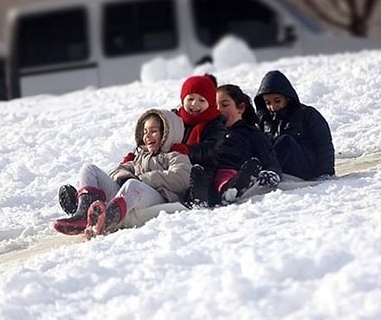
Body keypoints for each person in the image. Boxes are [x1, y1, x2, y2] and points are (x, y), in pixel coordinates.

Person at [53, 108, 192, 239]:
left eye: (153, 131)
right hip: (129, 198)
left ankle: (106, 220)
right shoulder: (142, 156)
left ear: (167, 133)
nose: (147, 136)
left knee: (133, 185)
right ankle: (83, 214)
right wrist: (125, 177)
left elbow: (181, 177)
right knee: (89, 169)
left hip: (160, 198)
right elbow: (118, 171)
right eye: (144, 132)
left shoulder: (175, 155)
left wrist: (143, 179)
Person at [192, 84, 283, 205]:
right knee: (199, 173)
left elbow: (268, 156)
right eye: (215, 106)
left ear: (240, 108)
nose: (219, 110)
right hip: (208, 172)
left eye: (225, 105)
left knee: (225, 176)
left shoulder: (251, 133)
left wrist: (272, 172)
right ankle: (198, 198)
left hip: (230, 171)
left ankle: (231, 190)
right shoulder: (209, 132)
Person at [253, 70, 335, 181]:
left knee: (285, 141)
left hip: (306, 167)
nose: (273, 106)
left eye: (277, 101)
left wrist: (325, 172)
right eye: (268, 103)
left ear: (287, 98)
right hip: (279, 166)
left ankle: (268, 173)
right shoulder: (263, 120)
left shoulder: (307, 114)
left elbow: (324, 145)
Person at [171, 74, 227, 206]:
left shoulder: (215, 123)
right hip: (174, 163)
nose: (195, 104)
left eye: (202, 100)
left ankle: (200, 197)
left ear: (211, 102)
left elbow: (213, 146)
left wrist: (189, 150)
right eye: (190, 99)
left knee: (201, 174)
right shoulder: (173, 118)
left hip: (203, 164)